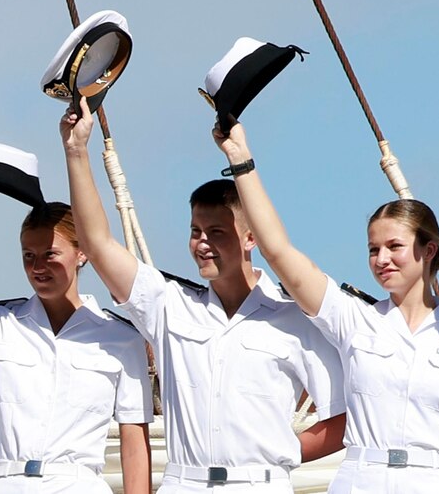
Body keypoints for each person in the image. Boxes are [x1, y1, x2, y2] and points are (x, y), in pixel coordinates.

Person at [60, 96, 346, 494]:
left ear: (251, 238)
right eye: (196, 231)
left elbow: (342, 418)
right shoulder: (167, 305)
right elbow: (98, 243)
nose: (203, 244)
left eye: (217, 233)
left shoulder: (296, 319)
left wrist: (276, 452)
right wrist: (76, 151)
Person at [211, 117, 439, 494]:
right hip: (361, 480)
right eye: (373, 249)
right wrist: (241, 161)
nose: (381, 259)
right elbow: (278, 251)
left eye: (394, 247)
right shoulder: (353, 320)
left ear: (428, 250)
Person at [0, 162, 153, 494]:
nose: (37, 267)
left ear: (83, 254)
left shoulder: (122, 339)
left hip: (79, 485)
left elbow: (134, 443)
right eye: (28, 255)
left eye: (50, 254)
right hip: (7, 483)